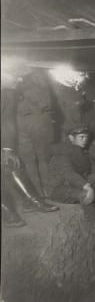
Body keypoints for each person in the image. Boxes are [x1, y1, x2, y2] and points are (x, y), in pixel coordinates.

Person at [2, 68, 58, 228]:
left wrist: (7, 149)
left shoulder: (8, 94)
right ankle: (8, 214)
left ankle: (32, 202)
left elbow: (7, 122)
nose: (19, 81)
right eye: (14, 76)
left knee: (11, 164)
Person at [48, 125, 95, 243]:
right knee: (84, 195)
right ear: (71, 138)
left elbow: (93, 171)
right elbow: (68, 173)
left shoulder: (81, 152)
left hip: (78, 183)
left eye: (86, 137)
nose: (85, 140)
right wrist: (87, 186)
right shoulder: (62, 153)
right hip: (61, 189)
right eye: (81, 137)